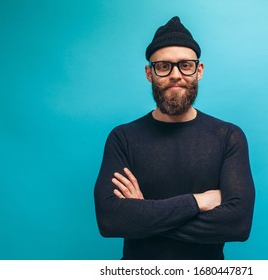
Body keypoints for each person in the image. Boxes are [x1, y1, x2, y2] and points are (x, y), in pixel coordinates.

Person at [94, 16, 255, 260]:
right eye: (163, 66)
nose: (175, 75)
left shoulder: (228, 137)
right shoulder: (123, 138)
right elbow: (110, 221)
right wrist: (198, 202)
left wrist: (144, 213)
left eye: (186, 65)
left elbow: (238, 225)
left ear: (198, 70)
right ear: (150, 73)